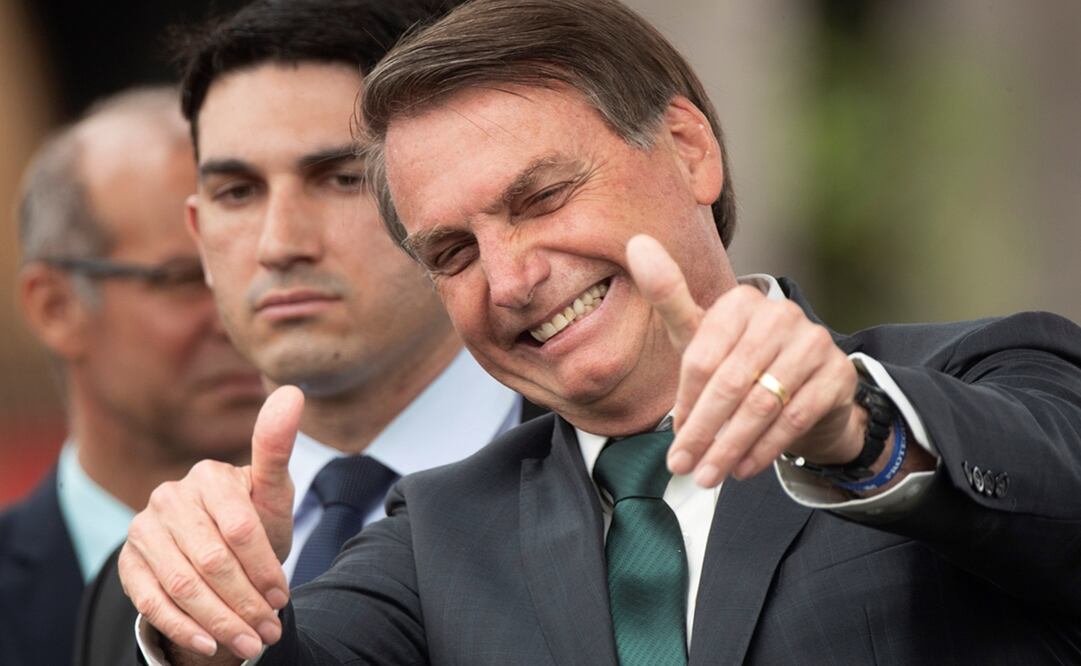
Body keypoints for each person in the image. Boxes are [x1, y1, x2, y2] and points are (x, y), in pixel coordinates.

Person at [122, 0, 1081, 663]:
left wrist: (857, 435)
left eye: (541, 197)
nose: (511, 280)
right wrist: (208, 619)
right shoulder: (440, 531)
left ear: (689, 150)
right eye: (452, 252)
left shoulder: (980, 369)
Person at [77, 1, 542, 664]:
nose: (279, 244)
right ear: (198, 237)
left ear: (446, 202)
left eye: (341, 178)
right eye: (237, 191)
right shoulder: (143, 599)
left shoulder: (617, 479)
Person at [0, 87, 265, 666]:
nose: (239, 316)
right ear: (55, 306)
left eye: (254, 270)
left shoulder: (380, 546)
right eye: (186, 278)